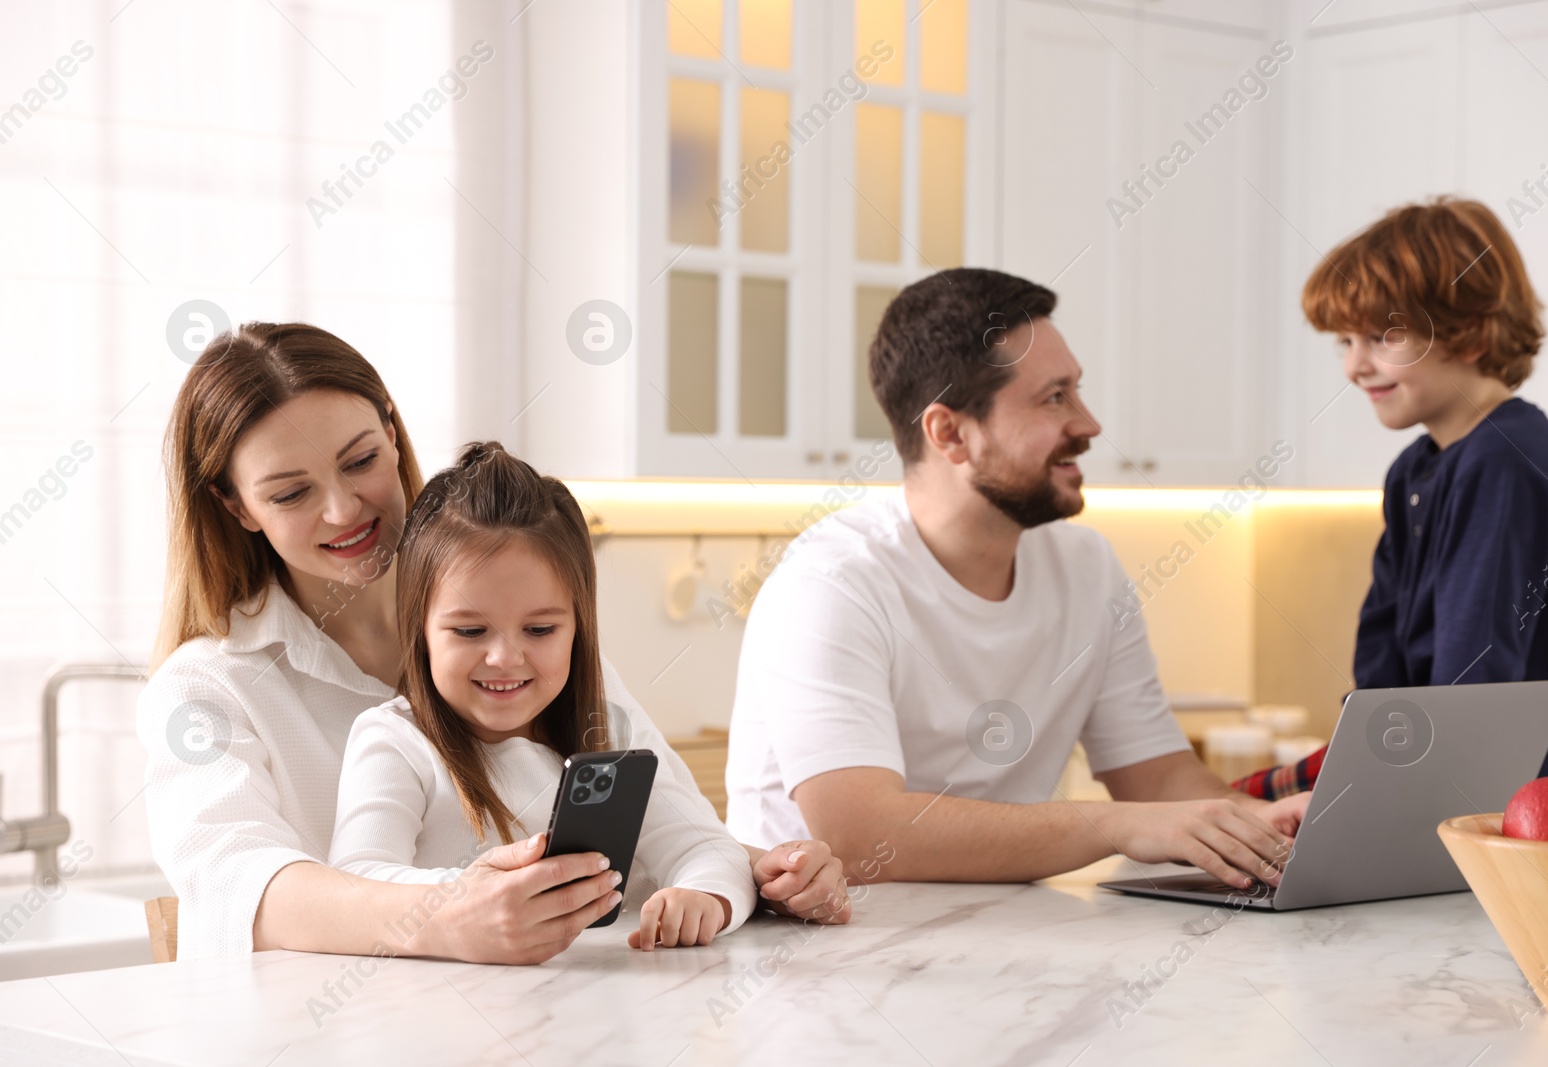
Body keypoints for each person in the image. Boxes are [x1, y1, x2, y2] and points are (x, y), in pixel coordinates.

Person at [137, 322, 847, 962]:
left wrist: (756, 871)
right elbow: (238, 885)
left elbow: (660, 824)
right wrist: (450, 914)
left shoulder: (522, 619)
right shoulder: (205, 688)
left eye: (360, 461)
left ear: (392, 430)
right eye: (291, 493)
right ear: (236, 505)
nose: (343, 508)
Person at [725, 268, 1309, 893]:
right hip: (826, 957)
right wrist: (1119, 827)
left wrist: (1256, 822)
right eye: (1054, 397)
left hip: (1008, 945)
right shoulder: (832, 585)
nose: (1088, 424)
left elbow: (1157, 778)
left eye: (1076, 392)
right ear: (950, 433)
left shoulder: (1087, 568)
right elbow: (861, 834)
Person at [1236, 197, 1548, 800]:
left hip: (1486, 812)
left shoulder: (1503, 463)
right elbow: (1382, 662)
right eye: (1344, 342)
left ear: (1470, 332)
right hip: (1428, 783)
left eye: (1381, 337)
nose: (1354, 366)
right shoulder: (1415, 470)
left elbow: (1469, 691)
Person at [330, 442, 755, 950]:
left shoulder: (611, 731)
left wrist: (703, 896)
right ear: (419, 630)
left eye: (538, 629)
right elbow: (356, 881)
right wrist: (472, 899)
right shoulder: (394, 742)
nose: (505, 658)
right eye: (469, 632)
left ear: (578, 628)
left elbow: (709, 847)